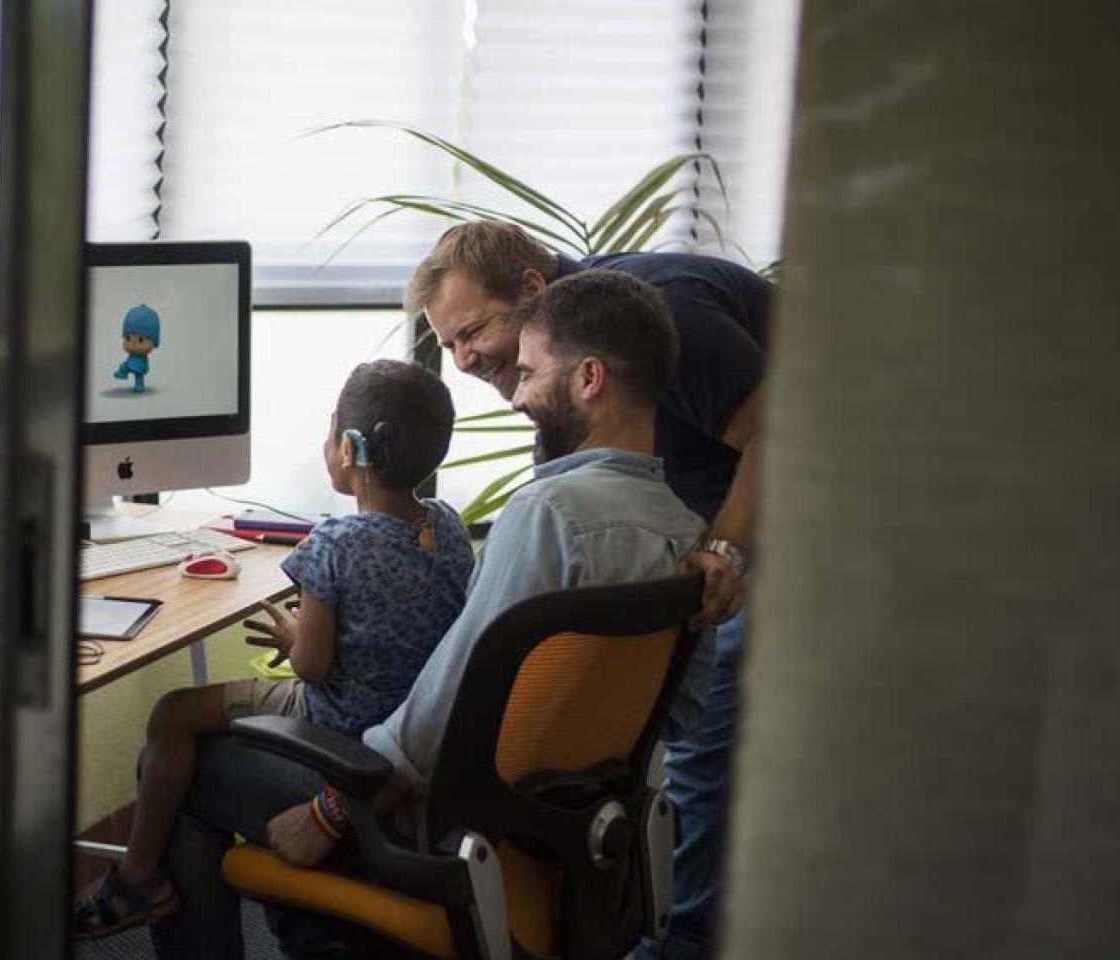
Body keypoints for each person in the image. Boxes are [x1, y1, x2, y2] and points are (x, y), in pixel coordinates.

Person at [150, 269, 715, 958]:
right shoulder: (692, 540)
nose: (520, 397)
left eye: (532, 373)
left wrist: (331, 814)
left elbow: (450, 702)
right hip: (564, 836)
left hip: (430, 821)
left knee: (183, 760)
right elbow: (678, 716)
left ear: (589, 378)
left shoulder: (546, 516)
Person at [407, 220, 770, 960]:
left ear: (533, 292)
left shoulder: (664, 315)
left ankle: (682, 942)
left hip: (823, 485)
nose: (465, 358)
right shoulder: (568, 356)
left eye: (471, 331)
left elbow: (782, 432)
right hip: (717, 502)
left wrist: (723, 549)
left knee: (703, 744)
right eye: (447, 345)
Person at [75, 358, 475, 941]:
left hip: (336, 726)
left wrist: (293, 636)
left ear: (349, 449)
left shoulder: (333, 543)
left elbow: (312, 667)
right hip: (409, 724)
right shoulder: (449, 527)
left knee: (173, 714)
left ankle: (137, 877)